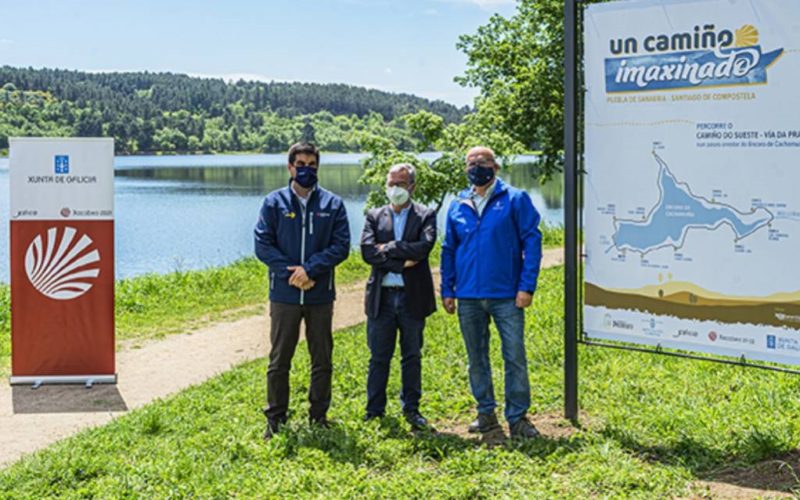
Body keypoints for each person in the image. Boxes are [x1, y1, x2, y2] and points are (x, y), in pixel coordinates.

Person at [440, 146, 543, 440]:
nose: (477, 166)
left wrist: (527, 286)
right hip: (469, 295)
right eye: (471, 163)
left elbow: (532, 242)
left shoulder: (515, 199)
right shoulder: (458, 204)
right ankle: (485, 413)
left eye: (483, 161)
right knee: (476, 358)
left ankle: (518, 418)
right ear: (465, 170)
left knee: (514, 356)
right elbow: (449, 249)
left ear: (495, 166)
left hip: (506, 295)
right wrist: (448, 289)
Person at [255, 142, 350, 440]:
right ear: (290, 167)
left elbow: (341, 246)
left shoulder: (333, 205)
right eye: (301, 164)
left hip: (320, 294)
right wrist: (293, 273)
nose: (306, 169)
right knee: (279, 358)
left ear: (318, 167)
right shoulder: (274, 203)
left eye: (311, 164)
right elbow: (262, 245)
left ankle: (319, 416)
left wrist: (311, 269)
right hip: (284, 295)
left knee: (321, 357)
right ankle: (276, 418)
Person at [360, 163, 437, 431]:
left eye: (401, 184)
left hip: (412, 297)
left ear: (412, 187)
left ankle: (412, 409)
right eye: (391, 183)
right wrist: (401, 261)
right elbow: (368, 252)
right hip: (382, 297)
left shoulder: (425, 215)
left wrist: (390, 248)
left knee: (411, 355)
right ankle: (374, 410)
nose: (395, 189)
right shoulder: (373, 215)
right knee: (378, 356)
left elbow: (424, 247)